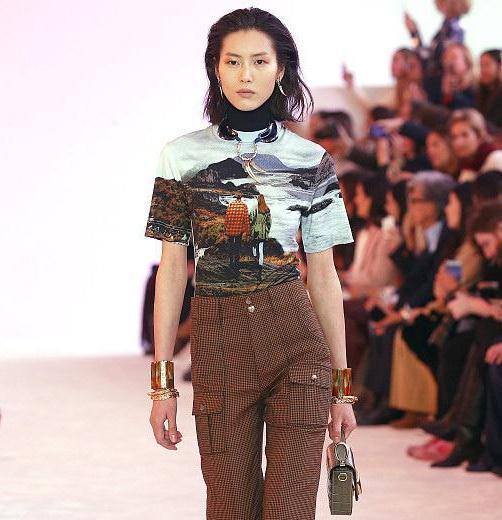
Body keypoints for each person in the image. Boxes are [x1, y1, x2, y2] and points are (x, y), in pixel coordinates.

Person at [143, 8, 357, 519]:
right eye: (233, 61)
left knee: (289, 509)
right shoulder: (181, 157)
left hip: (297, 346)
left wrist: (341, 389)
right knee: (230, 507)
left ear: (280, 69)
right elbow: (172, 270)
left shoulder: (311, 160)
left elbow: (324, 276)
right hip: (218, 344)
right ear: (215, 69)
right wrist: (162, 384)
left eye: (259, 62)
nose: (246, 75)